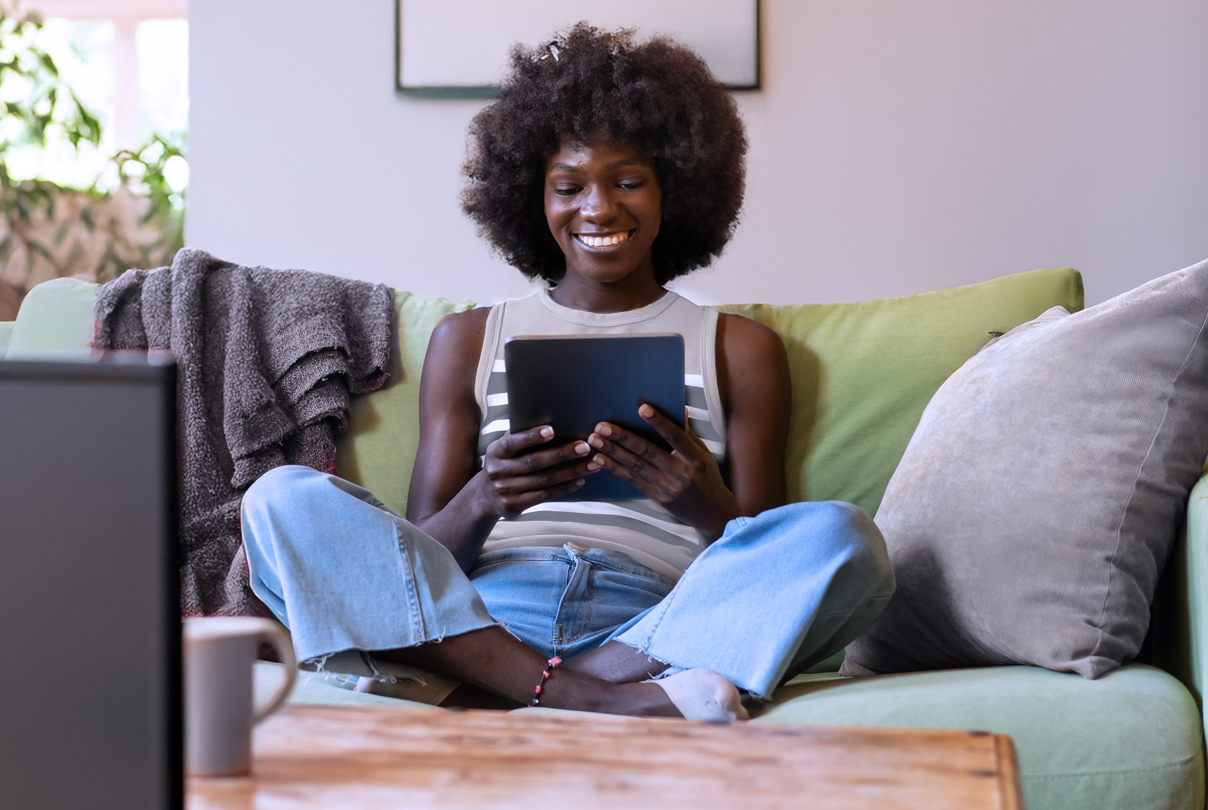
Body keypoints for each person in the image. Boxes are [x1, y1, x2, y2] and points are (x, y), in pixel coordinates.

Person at [240, 24, 894, 721]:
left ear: (674, 189)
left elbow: (765, 556)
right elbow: (419, 558)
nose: (598, 207)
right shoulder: (467, 339)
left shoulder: (741, 349)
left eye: (628, 182)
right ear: (534, 197)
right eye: (568, 186)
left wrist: (703, 504)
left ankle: (493, 694)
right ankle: (601, 702)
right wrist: (484, 496)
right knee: (278, 499)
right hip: (484, 619)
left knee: (844, 539)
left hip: (651, 626)